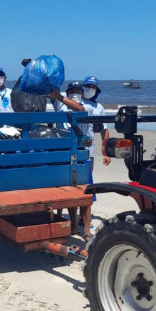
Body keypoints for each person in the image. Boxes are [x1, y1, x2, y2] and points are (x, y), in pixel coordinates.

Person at [50, 81, 101, 238]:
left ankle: (86, 229)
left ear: (83, 93)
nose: (74, 93)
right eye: (71, 90)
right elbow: (52, 92)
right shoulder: (60, 104)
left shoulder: (89, 106)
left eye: (77, 91)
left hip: (82, 155)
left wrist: (60, 97)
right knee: (70, 192)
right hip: (64, 155)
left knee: (86, 194)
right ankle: (73, 225)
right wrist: (56, 94)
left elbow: (79, 109)